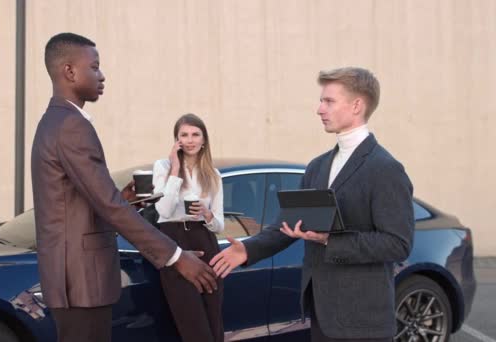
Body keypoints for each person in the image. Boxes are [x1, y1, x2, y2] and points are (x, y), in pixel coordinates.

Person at [30, 33, 217, 342]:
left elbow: (84, 201)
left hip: (74, 280)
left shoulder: (56, 121)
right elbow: (107, 205)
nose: (102, 76)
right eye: (95, 67)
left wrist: (126, 198)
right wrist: (176, 257)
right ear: (69, 71)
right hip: (81, 282)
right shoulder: (71, 126)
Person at [210, 67, 414, 341]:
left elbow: (398, 243)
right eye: (321, 101)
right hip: (321, 314)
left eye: (328, 101)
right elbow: (286, 224)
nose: (319, 109)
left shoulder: (385, 169)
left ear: (356, 105)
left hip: (364, 323)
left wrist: (330, 239)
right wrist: (248, 250)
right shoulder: (317, 167)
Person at [152, 113, 225, 342]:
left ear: (204, 140)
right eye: (184, 135)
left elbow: (220, 225)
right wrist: (175, 168)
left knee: (213, 321)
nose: (190, 140)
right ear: (177, 140)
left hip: (205, 241)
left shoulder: (213, 175)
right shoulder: (163, 167)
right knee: (192, 324)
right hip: (175, 245)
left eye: (195, 134)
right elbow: (163, 210)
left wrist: (207, 214)